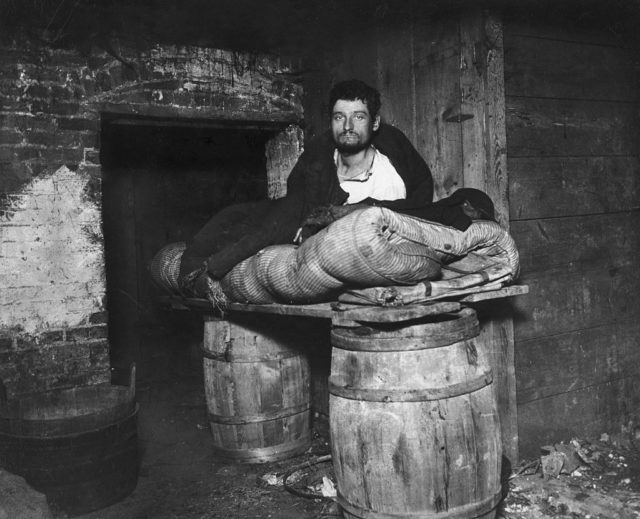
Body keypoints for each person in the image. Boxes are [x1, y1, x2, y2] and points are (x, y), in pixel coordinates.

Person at [178, 79, 434, 296]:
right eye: (339, 117)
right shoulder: (319, 166)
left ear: (374, 123)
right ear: (331, 122)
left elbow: (420, 201)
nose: (347, 127)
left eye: (358, 117)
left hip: (375, 246)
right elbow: (295, 205)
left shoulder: (392, 165)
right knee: (239, 216)